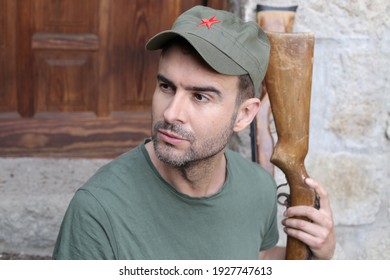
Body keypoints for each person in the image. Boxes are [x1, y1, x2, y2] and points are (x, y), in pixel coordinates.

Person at [52, 5, 335, 260]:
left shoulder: (257, 188)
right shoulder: (98, 211)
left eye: (200, 96)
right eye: (166, 87)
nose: (171, 113)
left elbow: (254, 258)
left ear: (244, 114)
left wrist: (317, 253)